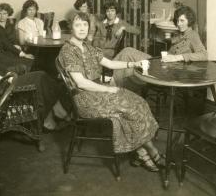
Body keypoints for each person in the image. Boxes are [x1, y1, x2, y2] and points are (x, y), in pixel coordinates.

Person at [58, 12, 164, 172]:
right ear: (70, 28)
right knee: (129, 108)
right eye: (77, 25)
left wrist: (133, 64)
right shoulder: (68, 51)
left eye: (85, 25)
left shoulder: (88, 47)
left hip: (97, 91)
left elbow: (109, 63)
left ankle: (141, 152)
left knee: (139, 102)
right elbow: (80, 82)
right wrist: (108, 89)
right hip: (84, 98)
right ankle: (151, 152)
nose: (82, 29)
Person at [0, 30, 71, 131]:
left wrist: (9, 74)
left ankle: (52, 116)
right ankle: (56, 115)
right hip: (3, 89)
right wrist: (9, 79)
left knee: (41, 77)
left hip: (7, 81)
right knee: (40, 76)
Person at [112, 5, 208, 88]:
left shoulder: (193, 35)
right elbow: (175, 42)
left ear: (189, 21)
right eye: (178, 20)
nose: (179, 24)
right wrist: (167, 40)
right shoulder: (181, 34)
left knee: (127, 52)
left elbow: (204, 55)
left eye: (182, 21)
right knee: (127, 53)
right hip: (161, 64)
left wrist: (177, 57)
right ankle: (117, 85)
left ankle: (115, 85)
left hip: (168, 71)